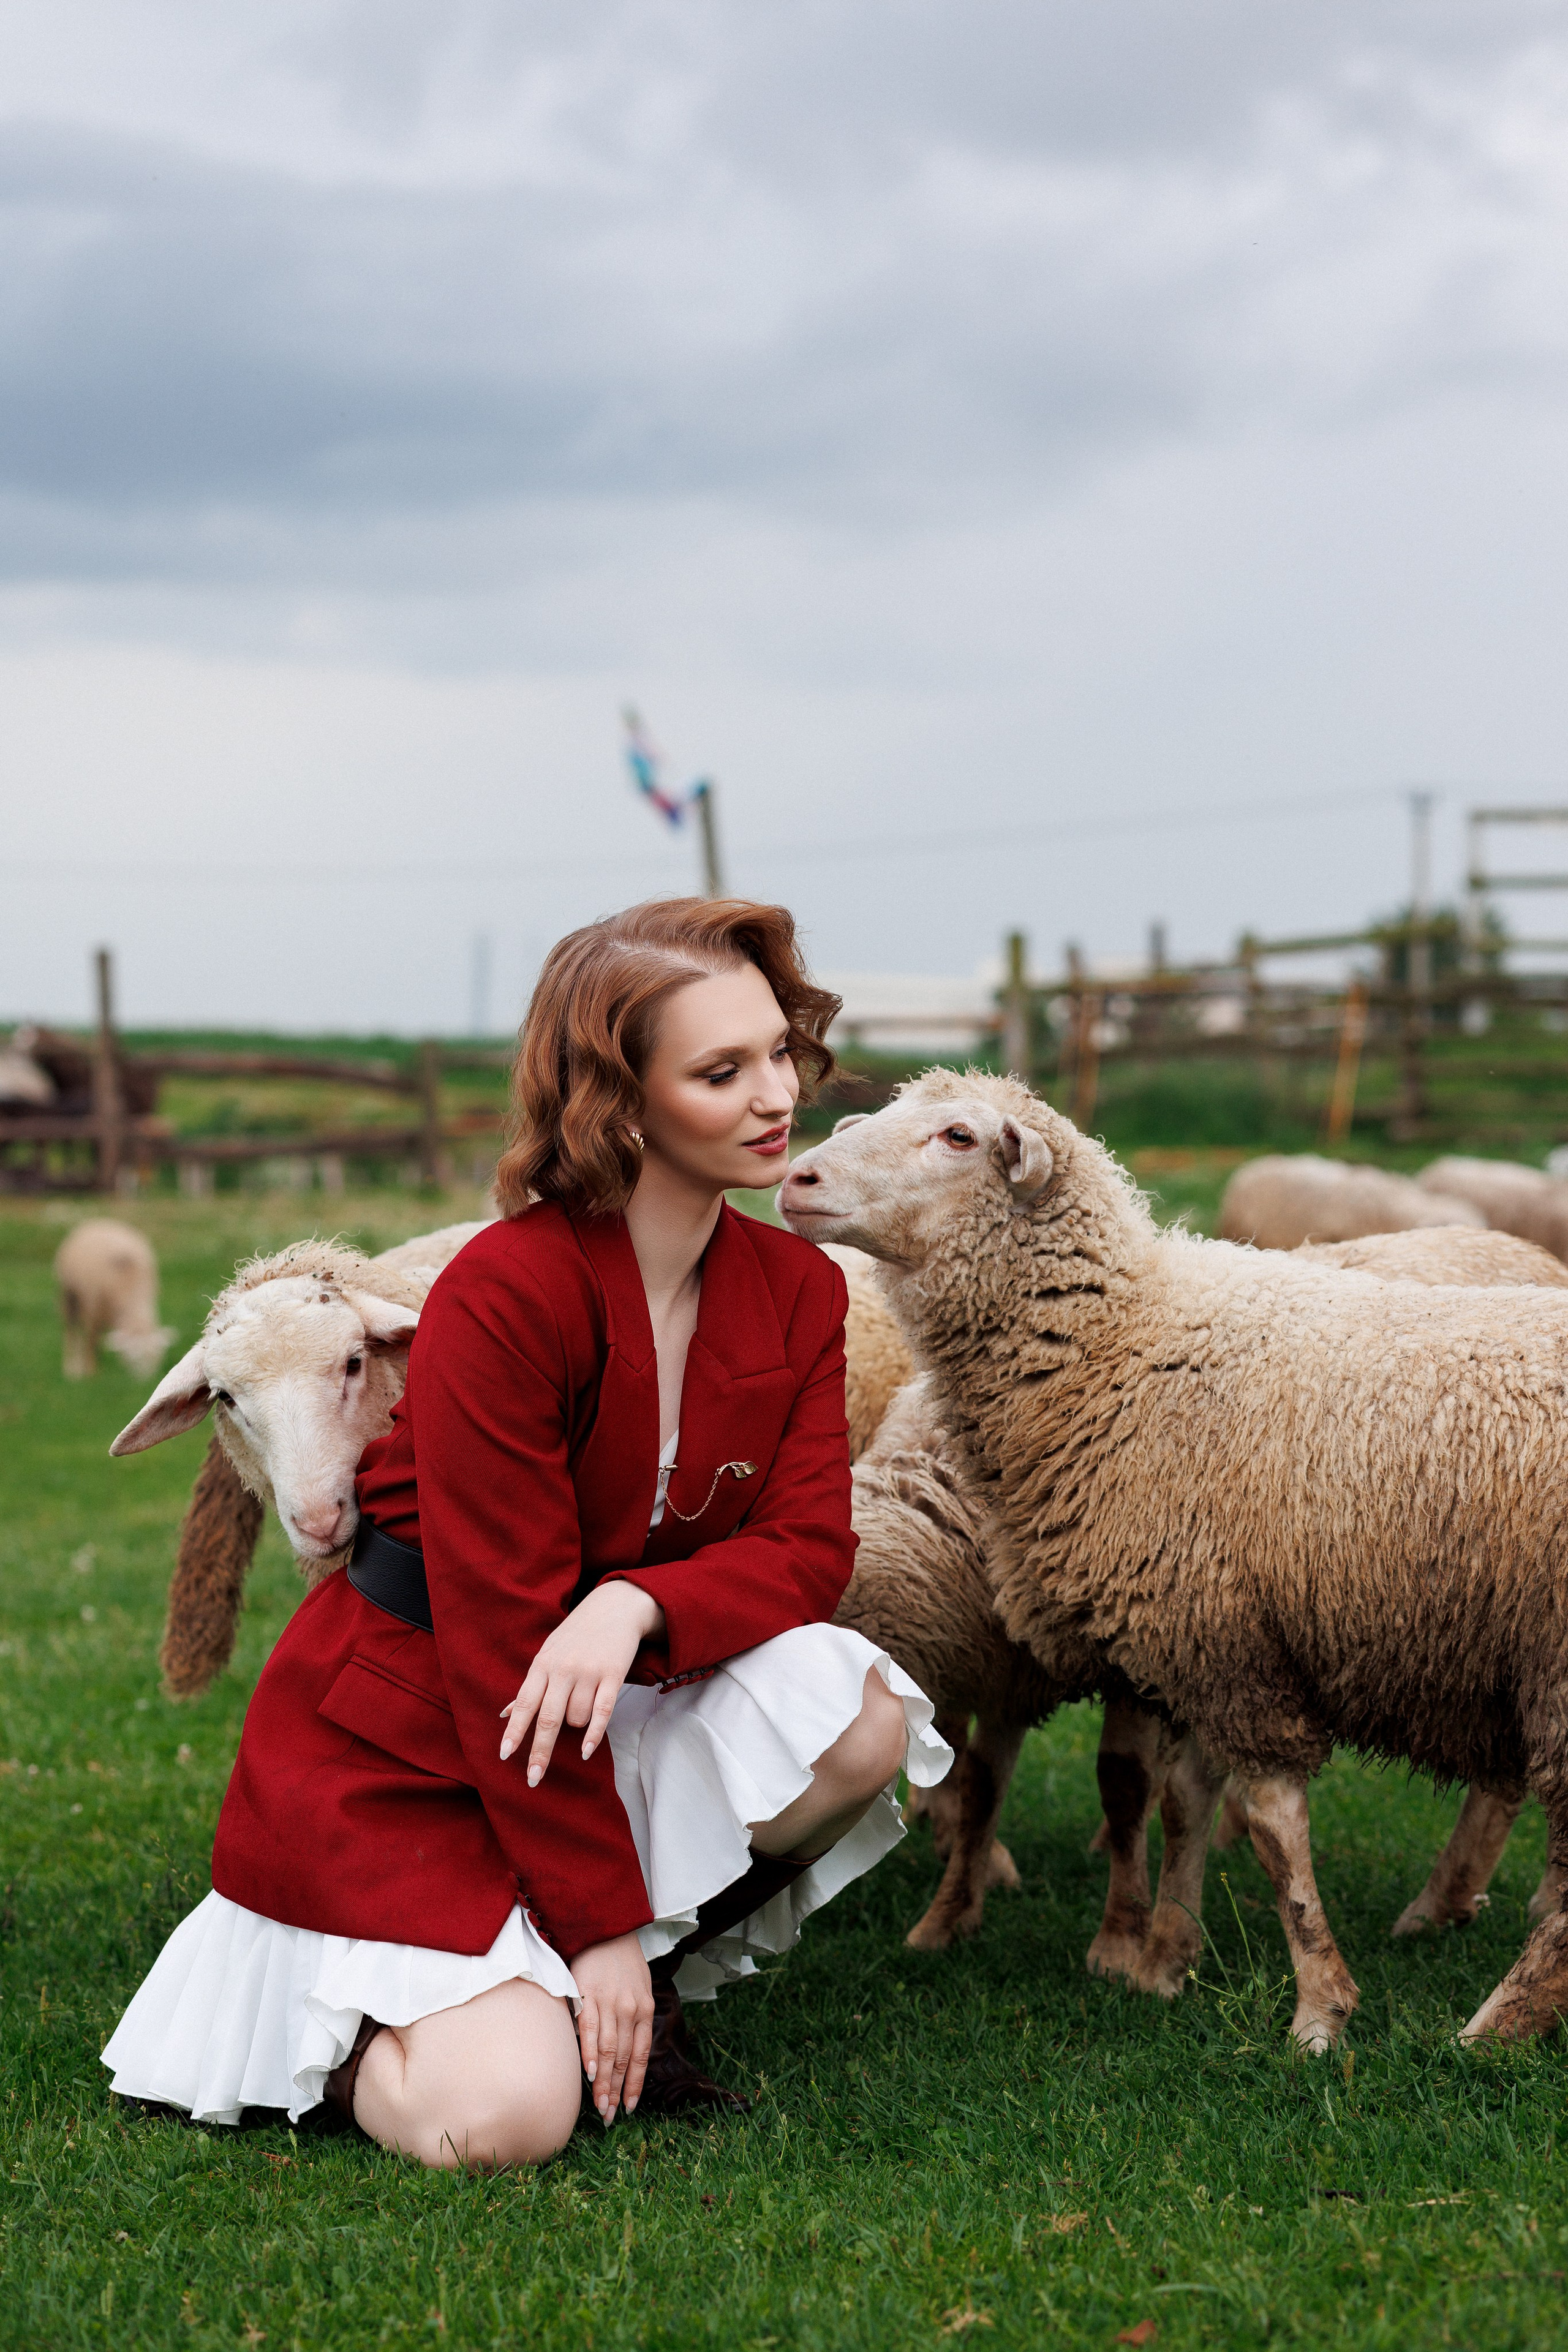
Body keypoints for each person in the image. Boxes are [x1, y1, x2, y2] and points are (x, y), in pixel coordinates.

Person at [104, 896, 952, 2169]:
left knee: (856, 1714)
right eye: (721, 1071)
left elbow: (808, 1552)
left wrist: (637, 1606)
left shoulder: (791, 1289)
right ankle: (350, 2034)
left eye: (779, 1051)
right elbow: (499, 1641)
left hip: (603, 1692)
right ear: (619, 1100)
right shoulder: (502, 1295)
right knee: (500, 2124)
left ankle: (608, 1982)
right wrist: (601, 1926)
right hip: (416, 1734)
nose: (778, 1095)